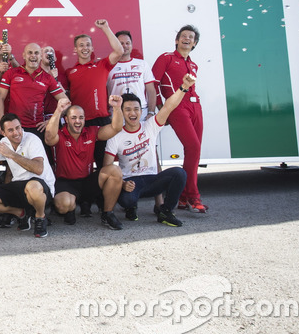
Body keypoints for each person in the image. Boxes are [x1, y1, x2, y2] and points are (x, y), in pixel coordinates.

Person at [100, 74, 196, 227]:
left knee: (180, 173)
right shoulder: (115, 135)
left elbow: (168, 106)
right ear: (122, 112)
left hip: (152, 179)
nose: (133, 113)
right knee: (127, 200)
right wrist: (122, 184)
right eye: (128, 109)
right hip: (131, 181)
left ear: (141, 111)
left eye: (136, 109)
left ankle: (166, 211)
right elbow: (107, 168)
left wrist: (183, 88)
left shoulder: (150, 125)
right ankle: (131, 207)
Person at [45, 96, 125, 229]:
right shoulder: (59, 134)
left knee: (115, 171)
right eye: (74, 117)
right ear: (66, 120)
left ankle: (108, 214)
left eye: (81, 118)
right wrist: (59, 110)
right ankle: (70, 209)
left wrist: (116, 108)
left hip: (87, 182)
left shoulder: (92, 132)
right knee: (64, 205)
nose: (78, 121)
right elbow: (48, 138)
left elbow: (116, 128)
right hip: (65, 183)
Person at [151, 25, 206, 213]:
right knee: (193, 146)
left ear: (195, 43)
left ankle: (182, 198)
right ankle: (193, 196)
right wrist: (161, 107)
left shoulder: (193, 65)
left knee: (194, 150)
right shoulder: (166, 58)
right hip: (176, 106)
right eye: (183, 36)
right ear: (177, 40)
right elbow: (153, 83)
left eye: (191, 37)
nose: (187, 39)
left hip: (195, 106)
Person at [65, 19, 124, 170]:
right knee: (81, 166)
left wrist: (105, 27)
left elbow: (119, 51)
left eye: (88, 45)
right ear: (75, 49)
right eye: (81, 45)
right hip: (79, 123)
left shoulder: (101, 65)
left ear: (92, 48)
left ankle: (103, 194)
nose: (85, 48)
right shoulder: (70, 72)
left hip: (101, 121)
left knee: (104, 164)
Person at [0, 43, 66, 149]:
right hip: (14, 128)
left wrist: (50, 121)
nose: (33, 55)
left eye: (36, 53)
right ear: (24, 55)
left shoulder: (47, 78)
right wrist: (2, 122)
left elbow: (66, 102)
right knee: (12, 163)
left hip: (37, 129)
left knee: (37, 163)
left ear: (41, 56)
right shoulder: (12, 73)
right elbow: (0, 98)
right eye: (30, 53)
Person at [107, 31, 157, 121]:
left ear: (131, 45)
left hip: (141, 111)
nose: (125, 46)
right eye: (121, 43)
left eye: (127, 43)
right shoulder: (107, 67)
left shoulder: (142, 64)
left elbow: (151, 91)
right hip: (117, 112)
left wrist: (151, 112)